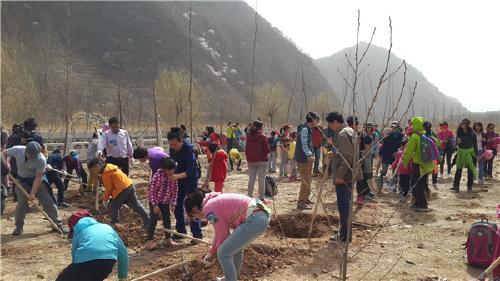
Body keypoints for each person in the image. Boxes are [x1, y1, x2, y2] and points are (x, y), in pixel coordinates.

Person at [185, 191, 271, 281]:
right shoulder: (213, 201)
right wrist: (211, 252)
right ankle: (232, 278)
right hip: (259, 216)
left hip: (254, 219)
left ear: (194, 209)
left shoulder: (208, 210)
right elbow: (219, 233)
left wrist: (212, 254)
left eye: (195, 217)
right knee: (235, 250)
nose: (199, 219)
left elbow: (222, 234)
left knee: (223, 253)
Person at [2, 142, 67, 235]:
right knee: (21, 204)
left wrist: (32, 193)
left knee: (49, 202)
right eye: (31, 155)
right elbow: (4, 153)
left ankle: (57, 224)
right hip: (22, 181)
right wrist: (5, 167)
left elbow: (38, 177)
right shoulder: (17, 150)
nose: (33, 157)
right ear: (26, 151)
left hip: (38, 181)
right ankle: (19, 227)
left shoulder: (41, 159)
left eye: (35, 155)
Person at [56, 210, 128, 281]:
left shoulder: (79, 232)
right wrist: (122, 277)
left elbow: (74, 256)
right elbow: (123, 253)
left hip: (85, 265)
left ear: (74, 226)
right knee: (94, 277)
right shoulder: (107, 227)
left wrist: (73, 272)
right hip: (107, 265)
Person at [87, 159, 149, 227]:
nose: (93, 173)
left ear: (97, 166)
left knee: (114, 206)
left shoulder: (106, 173)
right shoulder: (110, 167)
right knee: (136, 205)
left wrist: (105, 199)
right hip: (129, 185)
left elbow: (109, 188)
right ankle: (148, 221)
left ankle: (115, 224)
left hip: (122, 189)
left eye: (93, 170)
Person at [326, 111, 357, 242]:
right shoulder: (349, 130)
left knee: (344, 206)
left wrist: (339, 176)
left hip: (344, 176)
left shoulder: (343, 134)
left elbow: (348, 157)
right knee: (346, 205)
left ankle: (344, 236)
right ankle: (344, 231)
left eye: (329, 123)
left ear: (335, 122)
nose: (328, 126)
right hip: (348, 174)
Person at [167, 128, 203, 241]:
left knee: (192, 207)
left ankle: (197, 234)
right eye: (171, 144)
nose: (173, 146)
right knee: (177, 205)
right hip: (178, 181)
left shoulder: (189, 150)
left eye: (175, 144)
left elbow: (191, 169)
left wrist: (177, 176)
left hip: (191, 181)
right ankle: (180, 231)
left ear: (181, 141)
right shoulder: (172, 150)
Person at [403, 117, 436, 211]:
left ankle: (422, 205)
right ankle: (418, 203)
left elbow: (409, 151)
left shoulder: (414, 137)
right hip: (426, 163)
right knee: (421, 183)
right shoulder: (424, 134)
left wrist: (405, 162)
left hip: (418, 163)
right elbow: (436, 143)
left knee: (417, 184)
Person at [147, 158, 178, 249]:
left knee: (167, 219)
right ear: (164, 169)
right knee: (153, 220)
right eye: (168, 170)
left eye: (172, 170)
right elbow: (152, 191)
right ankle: (150, 241)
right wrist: (155, 205)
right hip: (155, 201)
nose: (170, 172)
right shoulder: (157, 176)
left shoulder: (173, 177)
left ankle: (168, 239)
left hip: (165, 202)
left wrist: (173, 203)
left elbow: (175, 191)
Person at [294, 112, 319, 210]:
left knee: (309, 179)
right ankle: (301, 202)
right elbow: (304, 145)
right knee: (305, 180)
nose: (317, 122)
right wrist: (309, 154)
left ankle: (306, 198)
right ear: (313, 120)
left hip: (308, 158)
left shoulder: (309, 129)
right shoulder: (304, 129)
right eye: (316, 120)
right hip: (303, 158)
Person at [245, 120, 270, 200]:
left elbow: (246, 148)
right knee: (261, 179)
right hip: (262, 160)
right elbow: (267, 150)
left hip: (251, 160)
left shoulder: (248, 136)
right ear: (260, 128)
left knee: (251, 178)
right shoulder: (263, 137)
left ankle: (249, 196)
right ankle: (261, 197)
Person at [452, 118, 478, 192]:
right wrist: (457, 142)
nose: (462, 125)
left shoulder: (472, 134)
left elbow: (475, 144)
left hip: (469, 153)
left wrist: (476, 154)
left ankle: (469, 186)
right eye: (462, 123)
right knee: (458, 170)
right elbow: (456, 143)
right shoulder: (459, 132)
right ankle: (456, 187)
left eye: (464, 123)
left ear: (467, 125)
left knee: (470, 170)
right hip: (461, 153)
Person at [378, 121, 403, 191]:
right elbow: (381, 143)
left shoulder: (401, 136)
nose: (394, 128)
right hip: (386, 155)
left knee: (395, 173)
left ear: (398, 128)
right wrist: (380, 154)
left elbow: (403, 145)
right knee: (383, 171)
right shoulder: (387, 135)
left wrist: (398, 152)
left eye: (395, 127)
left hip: (395, 156)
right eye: (392, 127)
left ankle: (394, 187)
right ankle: (380, 187)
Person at [355, 122, 376, 205]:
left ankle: (367, 191)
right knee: (362, 177)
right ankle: (363, 193)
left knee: (367, 175)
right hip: (362, 159)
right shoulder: (364, 137)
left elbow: (370, 148)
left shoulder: (368, 137)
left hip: (367, 158)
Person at [424, 122, 441, 190]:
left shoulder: (433, 134)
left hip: (433, 154)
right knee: (425, 170)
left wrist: (441, 154)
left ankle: (435, 182)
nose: (427, 128)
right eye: (425, 127)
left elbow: (438, 144)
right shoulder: (422, 134)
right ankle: (426, 185)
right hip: (425, 154)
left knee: (435, 169)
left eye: (428, 127)